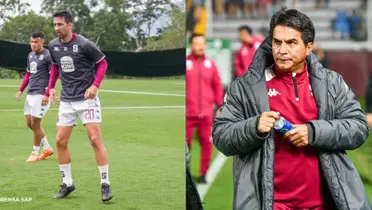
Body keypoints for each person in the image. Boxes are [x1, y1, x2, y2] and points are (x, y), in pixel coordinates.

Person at [213, 8, 371, 210]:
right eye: (277, 42)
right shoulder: (245, 87)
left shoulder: (331, 83)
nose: (282, 50)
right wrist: (253, 127)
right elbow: (221, 135)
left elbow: (358, 127)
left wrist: (314, 132)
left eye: (291, 43)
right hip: (272, 204)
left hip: (326, 203)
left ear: (309, 47)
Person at [45, 11, 112, 202]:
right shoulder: (53, 46)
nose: (57, 28)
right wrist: (50, 88)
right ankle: (67, 183)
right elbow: (55, 67)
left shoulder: (84, 44)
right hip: (66, 100)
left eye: (59, 25)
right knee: (59, 141)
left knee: (94, 139)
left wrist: (95, 85)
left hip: (86, 99)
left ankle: (105, 184)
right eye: (54, 25)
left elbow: (103, 63)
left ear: (69, 25)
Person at [186, 33, 224, 184]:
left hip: (207, 112)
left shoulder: (211, 65)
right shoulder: (186, 64)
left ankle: (203, 174)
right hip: (188, 113)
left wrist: (220, 104)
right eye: (197, 43)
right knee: (185, 145)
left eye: (202, 43)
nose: (200, 47)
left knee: (207, 144)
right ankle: (186, 174)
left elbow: (217, 85)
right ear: (191, 45)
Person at [16, 31, 54, 162]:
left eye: (36, 42)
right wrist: (21, 90)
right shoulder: (30, 55)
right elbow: (28, 74)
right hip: (30, 93)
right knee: (29, 123)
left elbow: (53, 77)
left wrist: (47, 94)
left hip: (41, 94)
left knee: (35, 123)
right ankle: (47, 148)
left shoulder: (48, 56)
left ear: (42, 42)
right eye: (31, 42)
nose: (33, 44)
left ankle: (35, 152)